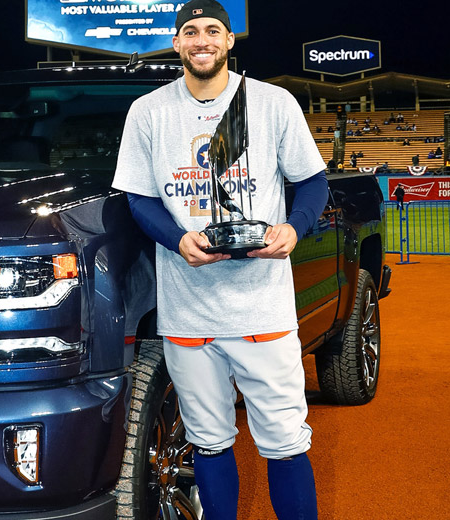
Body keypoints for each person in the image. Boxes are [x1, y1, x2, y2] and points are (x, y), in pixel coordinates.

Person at [112, 1, 326, 518]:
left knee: (283, 441)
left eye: (213, 30)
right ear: (177, 42)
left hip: (261, 309)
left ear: (230, 41)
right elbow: (138, 198)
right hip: (188, 312)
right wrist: (177, 240)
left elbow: (312, 181)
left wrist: (292, 229)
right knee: (208, 441)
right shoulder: (148, 110)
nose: (202, 39)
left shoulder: (272, 102)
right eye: (190, 31)